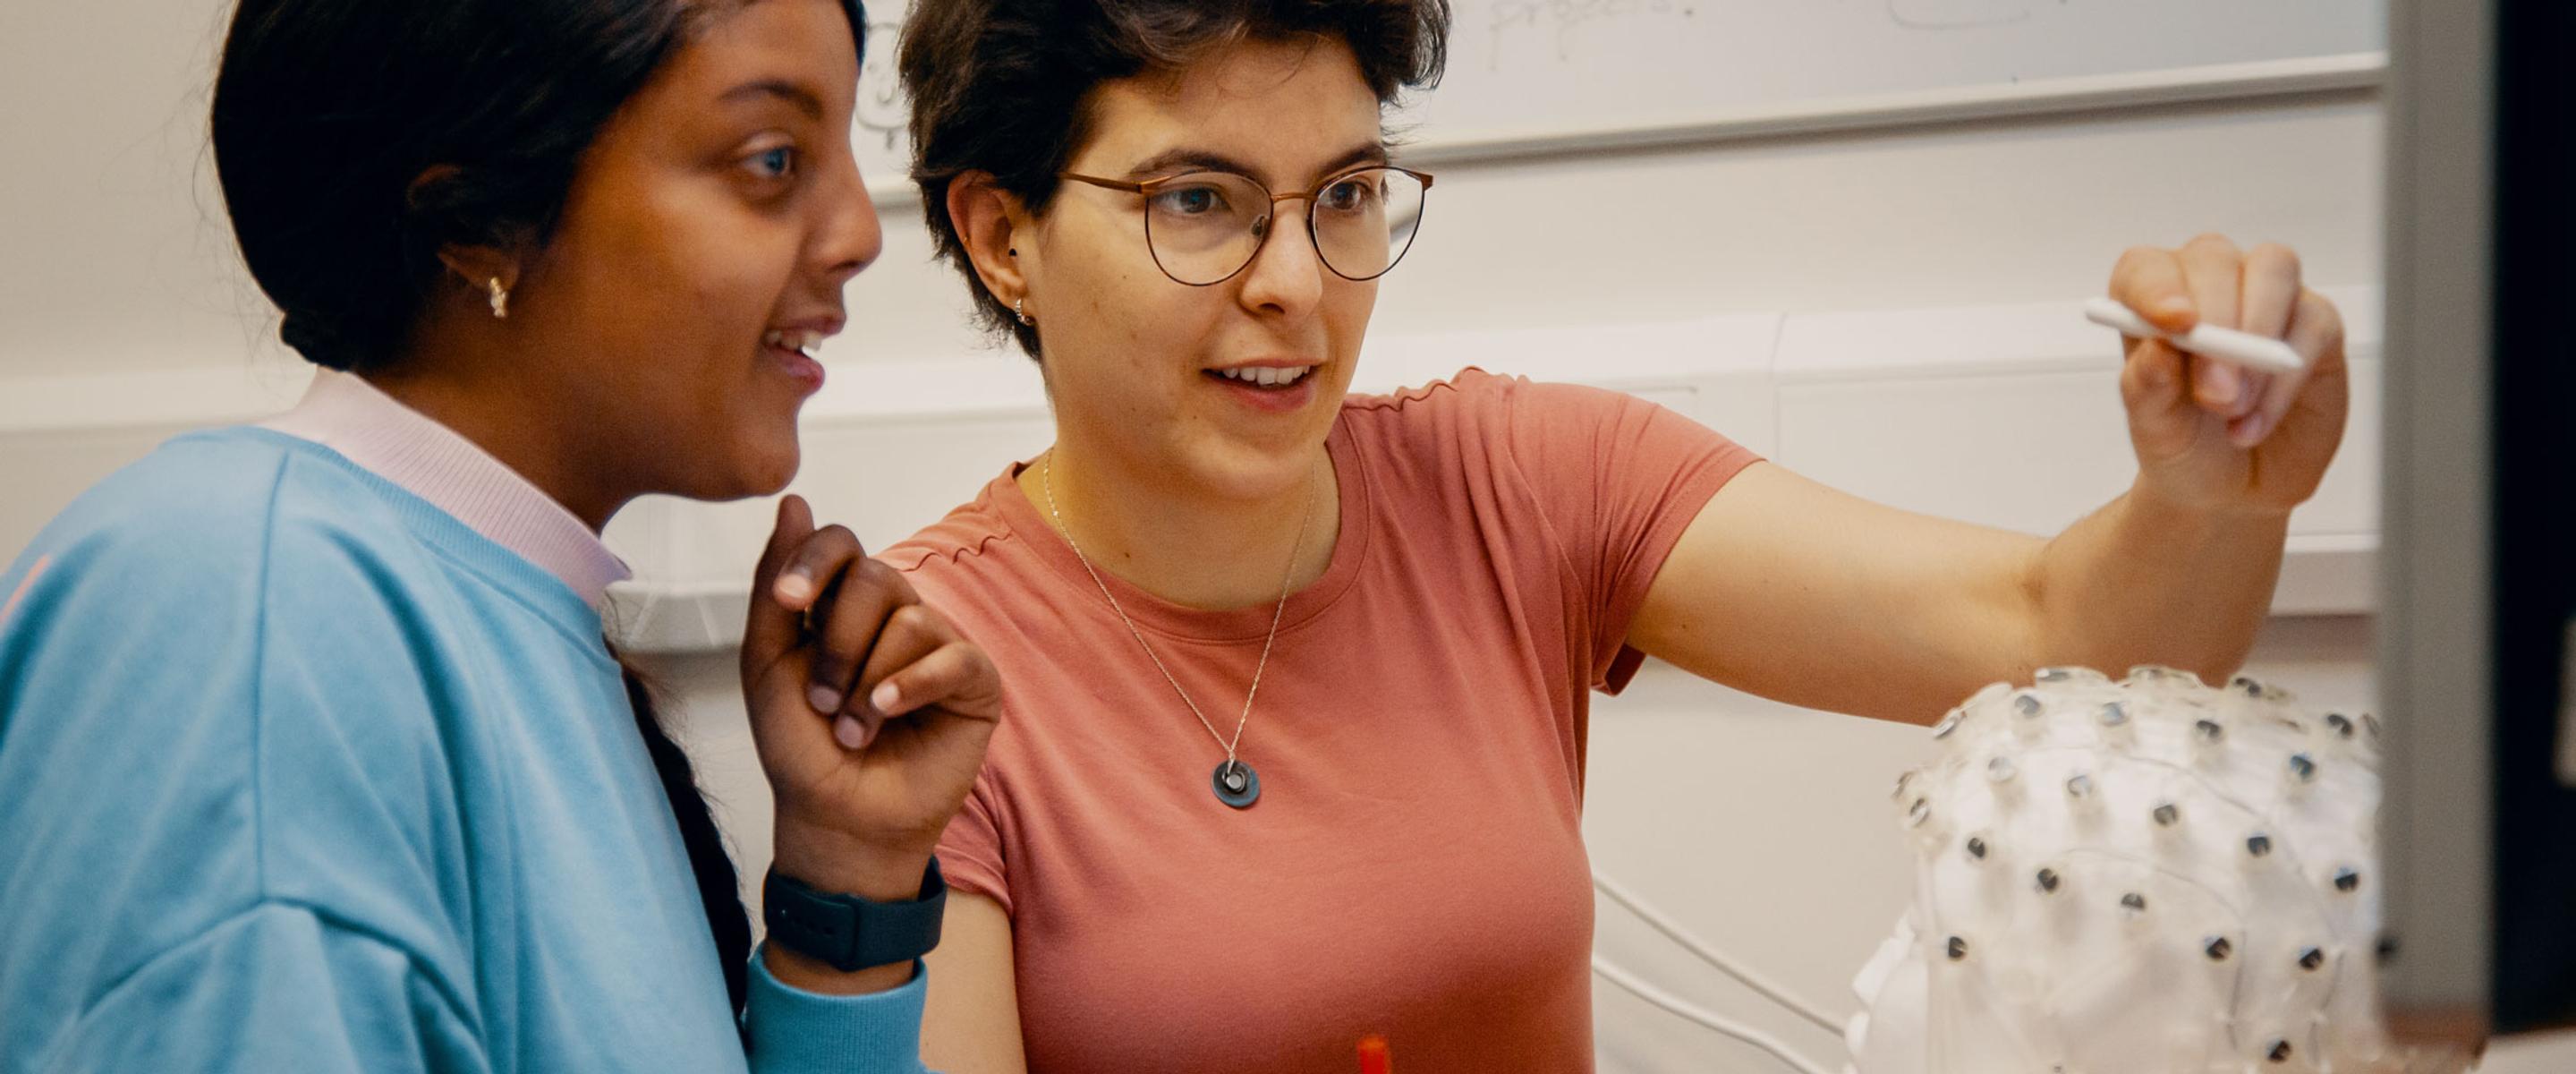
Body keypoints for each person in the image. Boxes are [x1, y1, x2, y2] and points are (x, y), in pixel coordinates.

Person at [872, 1, 2351, 1070]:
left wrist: (2207, 490)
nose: (1297, 287)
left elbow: (2062, 643)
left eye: (1342, 196)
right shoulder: (924, 676)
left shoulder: (1516, 477)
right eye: (1199, 202)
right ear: (1003, 235)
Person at [0, 0, 999, 1069]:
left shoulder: (499, 612)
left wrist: (846, 886)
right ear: (472, 221)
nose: (854, 235)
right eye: (769, 160)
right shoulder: (245, 614)